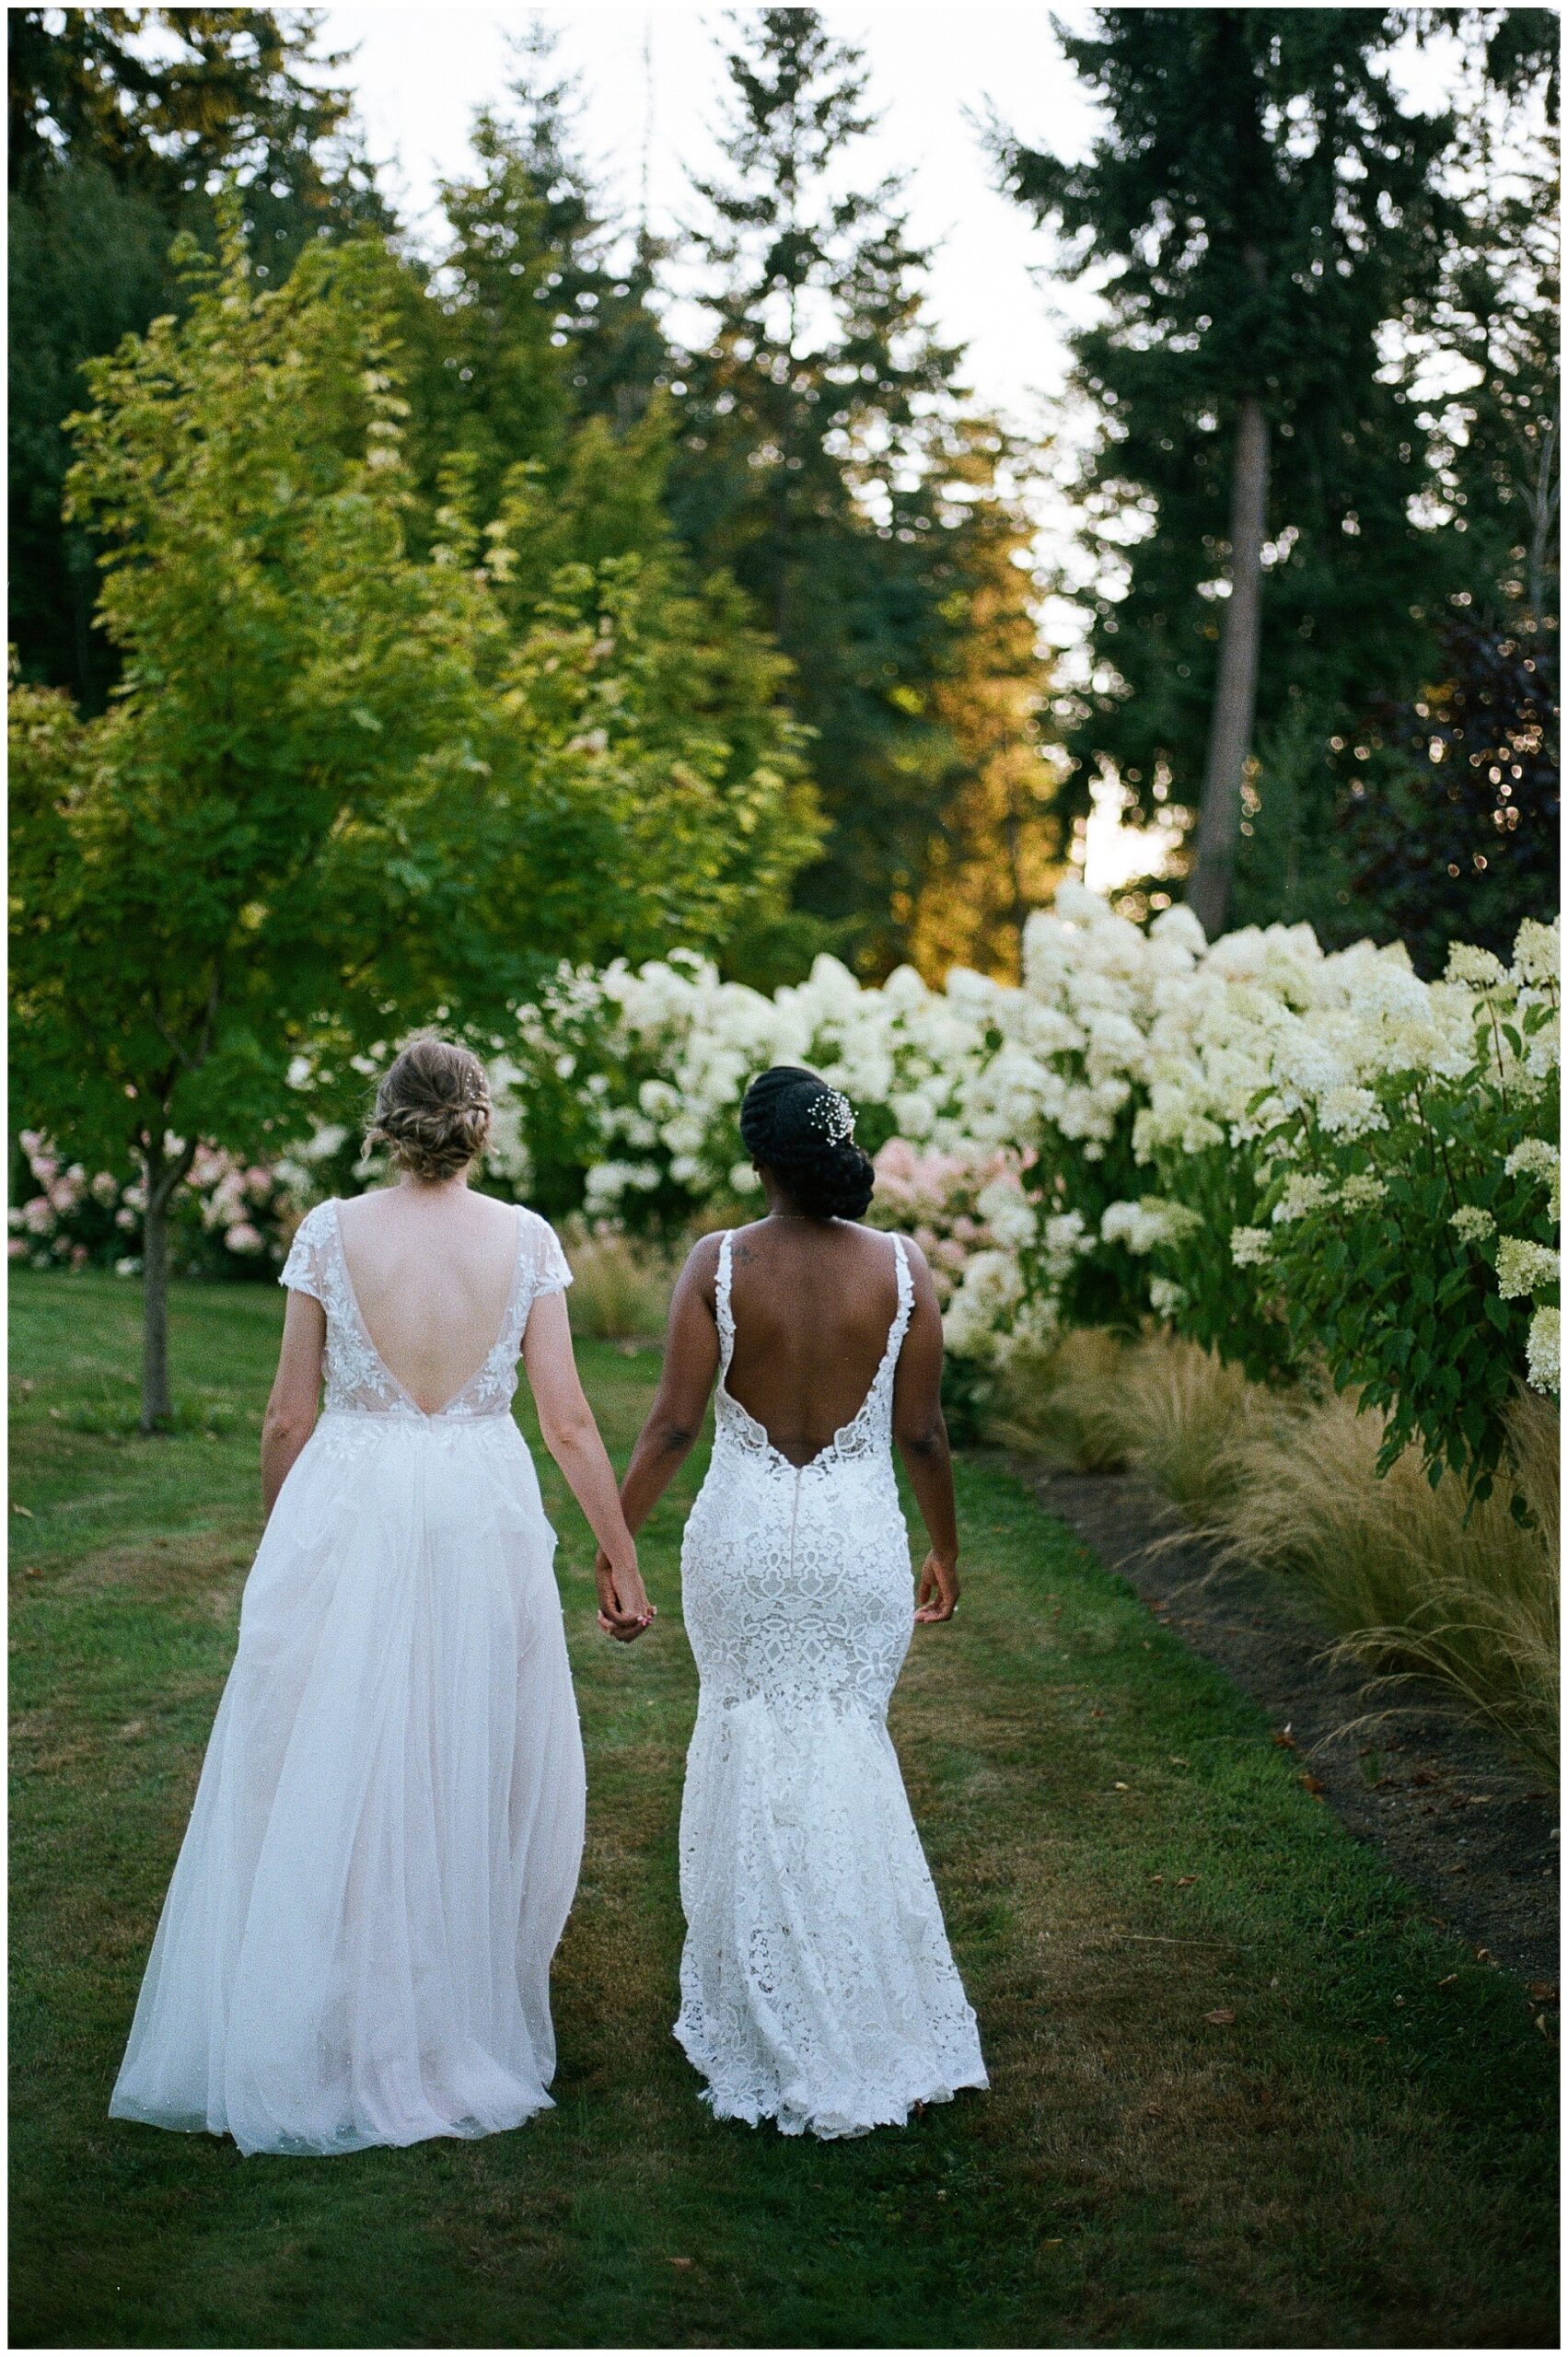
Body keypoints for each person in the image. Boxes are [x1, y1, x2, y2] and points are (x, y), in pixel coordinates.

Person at [110, 1037, 650, 2157]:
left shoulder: (328, 1230)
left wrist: (280, 1538)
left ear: (386, 1121)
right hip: (476, 1502)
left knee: (333, 1739)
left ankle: (342, 1999)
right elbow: (566, 1422)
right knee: (460, 1745)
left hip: (350, 1501)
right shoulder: (528, 1239)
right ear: (478, 1124)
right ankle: (441, 2011)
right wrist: (620, 1553)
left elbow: (284, 1417)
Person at [605, 1064, 987, 2138]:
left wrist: (614, 1539)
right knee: (844, 1745)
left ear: (756, 1158)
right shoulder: (903, 1267)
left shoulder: (718, 1263)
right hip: (855, 1550)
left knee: (744, 1739)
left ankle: (757, 2000)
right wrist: (944, 1546)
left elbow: (672, 1428)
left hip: (741, 1548)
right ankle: (858, 2002)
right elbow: (922, 1434)